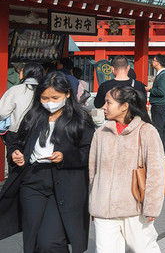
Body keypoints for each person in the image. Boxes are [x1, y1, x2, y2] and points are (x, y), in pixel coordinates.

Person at [0, 71, 95, 252]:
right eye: (44, 98)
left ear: (67, 94)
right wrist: (15, 154)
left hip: (64, 184)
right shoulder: (33, 116)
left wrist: (65, 157)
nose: (49, 102)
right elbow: (17, 143)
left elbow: (89, 152)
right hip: (32, 181)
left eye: (54, 97)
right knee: (32, 237)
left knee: (50, 241)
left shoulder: (80, 120)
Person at [89, 84, 165, 252]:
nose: (104, 106)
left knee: (144, 249)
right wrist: (94, 200)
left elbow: (156, 172)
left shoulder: (146, 131)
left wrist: (152, 206)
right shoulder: (100, 133)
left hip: (135, 207)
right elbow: (93, 170)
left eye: (108, 102)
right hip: (104, 209)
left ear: (124, 107)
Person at [0, 62, 44, 146]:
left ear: (26, 73)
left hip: (16, 133)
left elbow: (2, 112)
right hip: (39, 133)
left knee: (16, 157)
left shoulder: (15, 90)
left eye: (22, 70)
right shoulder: (45, 90)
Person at [146, 55, 165, 160]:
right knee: (163, 127)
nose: (151, 62)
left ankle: (163, 149)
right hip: (160, 104)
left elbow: (162, 91)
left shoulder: (163, 75)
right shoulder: (162, 74)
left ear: (158, 62)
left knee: (159, 128)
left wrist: (149, 89)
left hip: (160, 104)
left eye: (153, 60)